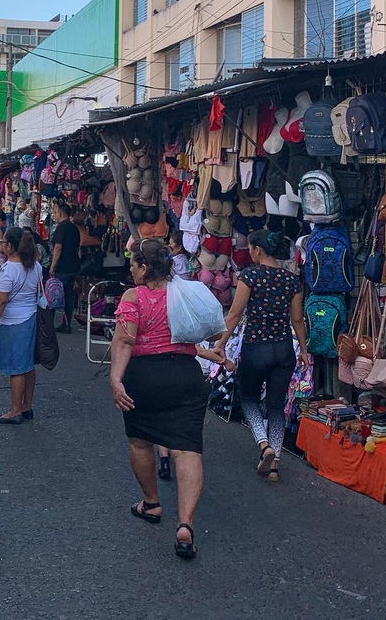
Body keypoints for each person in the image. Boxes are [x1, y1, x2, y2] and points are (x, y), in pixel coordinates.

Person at [110, 239, 209, 561]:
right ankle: (185, 524)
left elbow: (125, 340)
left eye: (133, 264)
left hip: (145, 377)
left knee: (140, 442)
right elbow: (199, 331)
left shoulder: (133, 297)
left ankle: (151, 503)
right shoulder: (184, 291)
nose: (130, 269)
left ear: (143, 267)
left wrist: (115, 379)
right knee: (187, 449)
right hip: (185, 374)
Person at [219, 229, 308, 482]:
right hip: (283, 350)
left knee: (248, 399)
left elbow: (235, 314)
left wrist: (222, 342)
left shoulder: (251, 276)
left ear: (257, 250)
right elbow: (297, 319)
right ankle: (275, 466)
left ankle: (263, 444)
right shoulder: (292, 281)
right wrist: (303, 350)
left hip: (256, 347)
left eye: (250, 249)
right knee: (277, 406)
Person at [0, 227, 42, 424]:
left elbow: (1, 301)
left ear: (11, 246)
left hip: (13, 321)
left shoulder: (8, 270)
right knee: (27, 365)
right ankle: (27, 406)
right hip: (30, 317)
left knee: (16, 367)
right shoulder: (36, 266)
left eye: (5, 242)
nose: (2, 245)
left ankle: (15, 410)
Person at [49, 202, 81, 333]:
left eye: (56, 213)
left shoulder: (61, 228)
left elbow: (58, 247)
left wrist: (52, 266)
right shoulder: (74, 228)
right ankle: (66, 323)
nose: (55, 215)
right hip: (73, 266)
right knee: (68, 296)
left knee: (53, 294)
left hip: (62, 267)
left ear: (60, 213)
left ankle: (49, 323)